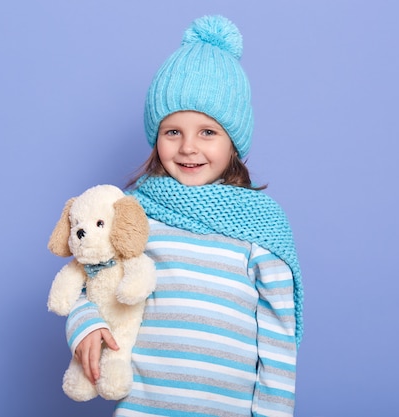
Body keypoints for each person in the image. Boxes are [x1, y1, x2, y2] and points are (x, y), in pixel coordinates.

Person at [64, 15, 304, 417]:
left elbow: (279, 334)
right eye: (172, 131)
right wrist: (86, 326)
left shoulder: (260, 227)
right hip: (145, 406)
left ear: (234, 142)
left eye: (208, 132)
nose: (188, 147)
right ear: (156, 138)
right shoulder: (133, 213)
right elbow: (86, 284)